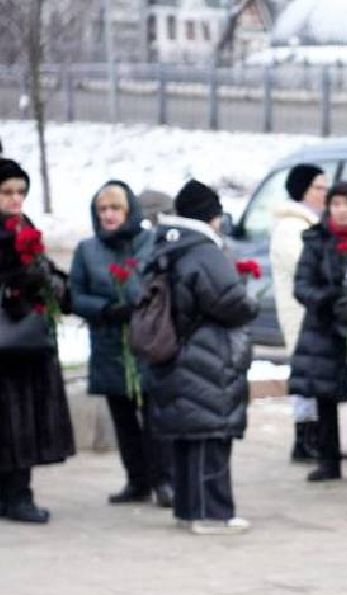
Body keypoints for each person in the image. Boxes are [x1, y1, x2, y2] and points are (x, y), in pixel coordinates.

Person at [146, 180, 259, 534]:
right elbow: (229, 301)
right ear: (210, 216)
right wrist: (250, 300)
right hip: (206, 356)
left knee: (188, 438)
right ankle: (213, 513)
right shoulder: (203, 250)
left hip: (177, 353)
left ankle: (188, 509)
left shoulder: (167, 246)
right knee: (211, 436)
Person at [69, 179, 172, 507]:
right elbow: (74, 296)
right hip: (110, 343)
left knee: (154, 415)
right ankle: (136, 481)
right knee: (123, 418)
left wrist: (139, 302)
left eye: (115, 208)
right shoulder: (87, 250)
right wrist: (104, 309)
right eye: (102, 209)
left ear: (129, 211)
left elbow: (162, 284)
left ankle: (164, 480)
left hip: (147, 341)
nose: (108, 215)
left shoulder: (150, 243)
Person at [0, 158, 74, 524]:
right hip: (10, 340)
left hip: (25, 342)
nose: (16, 199)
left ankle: (16, 493)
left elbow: (44, 274)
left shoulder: (23, 228)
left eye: (21, 192)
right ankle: (14, 496)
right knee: (10, 420)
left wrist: (55, 285)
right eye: (6, 192)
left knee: (21, 419)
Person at [289, 181, 347, 484]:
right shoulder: (317, 240)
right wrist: (327, 299)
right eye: (336, 204)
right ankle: (328, 460)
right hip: (323, 327)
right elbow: (301, 285)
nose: (342, 210)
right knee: (325, 395)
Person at [271, 163, 328, 464]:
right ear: (302, 190)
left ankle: (316, 436)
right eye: (318, 188)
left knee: (314, 374)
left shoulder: (307, 223)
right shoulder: (291, 227)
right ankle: (305, 438)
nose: (324, 194)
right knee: (306, 376)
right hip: (300, 312)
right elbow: (305, 267)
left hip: (310, 312)